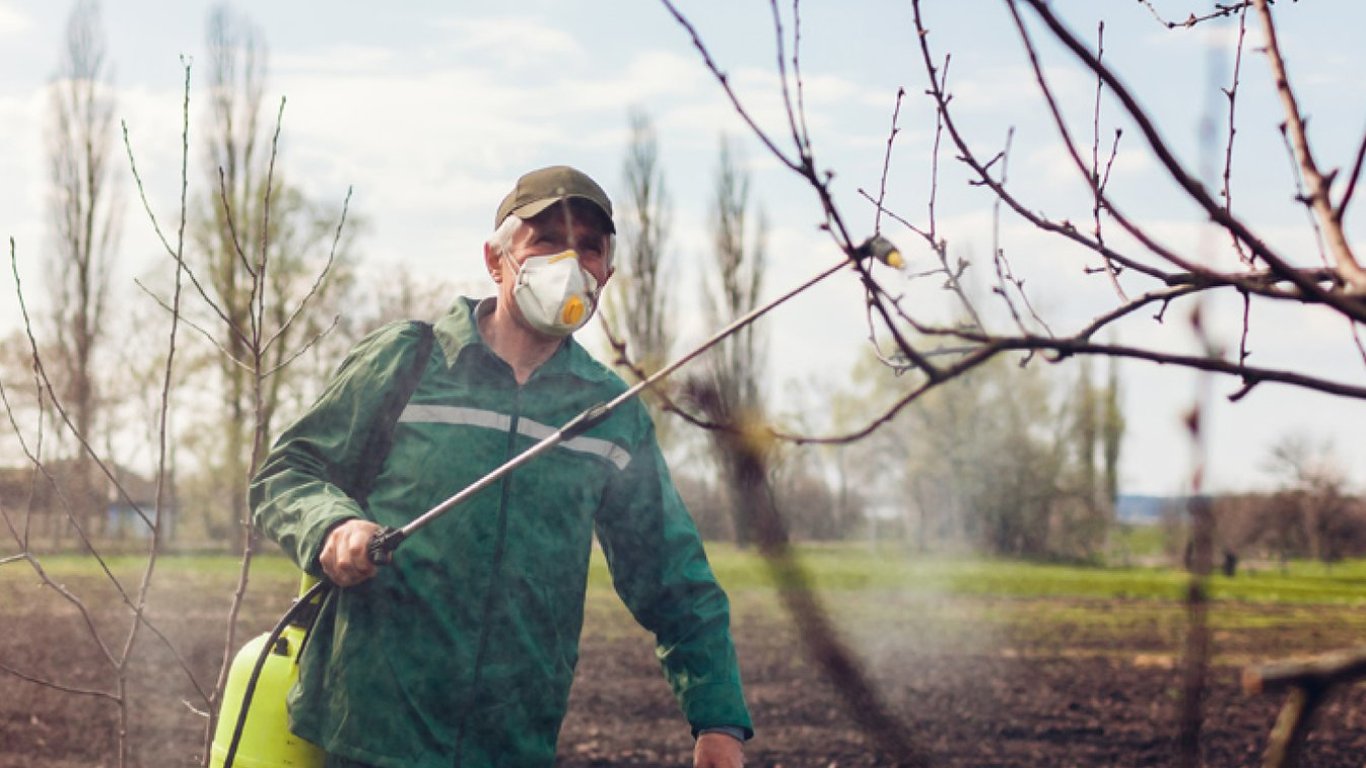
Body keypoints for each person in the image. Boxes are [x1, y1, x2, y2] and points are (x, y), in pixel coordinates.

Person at [250, 165, 752, 768]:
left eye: (589, 248)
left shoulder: (608, 413)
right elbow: (289, 473)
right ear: (496, 259)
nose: (570, 263)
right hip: (372, 734)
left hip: (514, 742)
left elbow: (674, 577)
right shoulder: (410, 361)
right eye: (546, 241)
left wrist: (717, 720)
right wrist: (333, 526)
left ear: (607, 275)